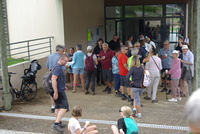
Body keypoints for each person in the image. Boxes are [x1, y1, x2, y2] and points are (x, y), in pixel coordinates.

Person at [50, 55, 69, 133]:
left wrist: (63, 86)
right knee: (64, 106)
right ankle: (56, 123)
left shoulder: (57, 66)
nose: (66, 63)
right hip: (59, 91)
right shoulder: (58, 68)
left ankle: (58, 121)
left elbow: (58, 79)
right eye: (65, 61)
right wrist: (56, 92)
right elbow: (54, 79)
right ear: (61, 59)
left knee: (58, 106)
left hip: (59, 89)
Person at [46, 44, 66, 113]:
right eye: (62, 50)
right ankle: (59, 106)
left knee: (52, 91)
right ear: (60, 50)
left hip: (50, 77)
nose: (63, 51)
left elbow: (47, 67)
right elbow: (63, 68)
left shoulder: (50, 56)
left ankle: (52, 105)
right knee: (58, 91)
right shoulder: (60, 58)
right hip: (58, 77)